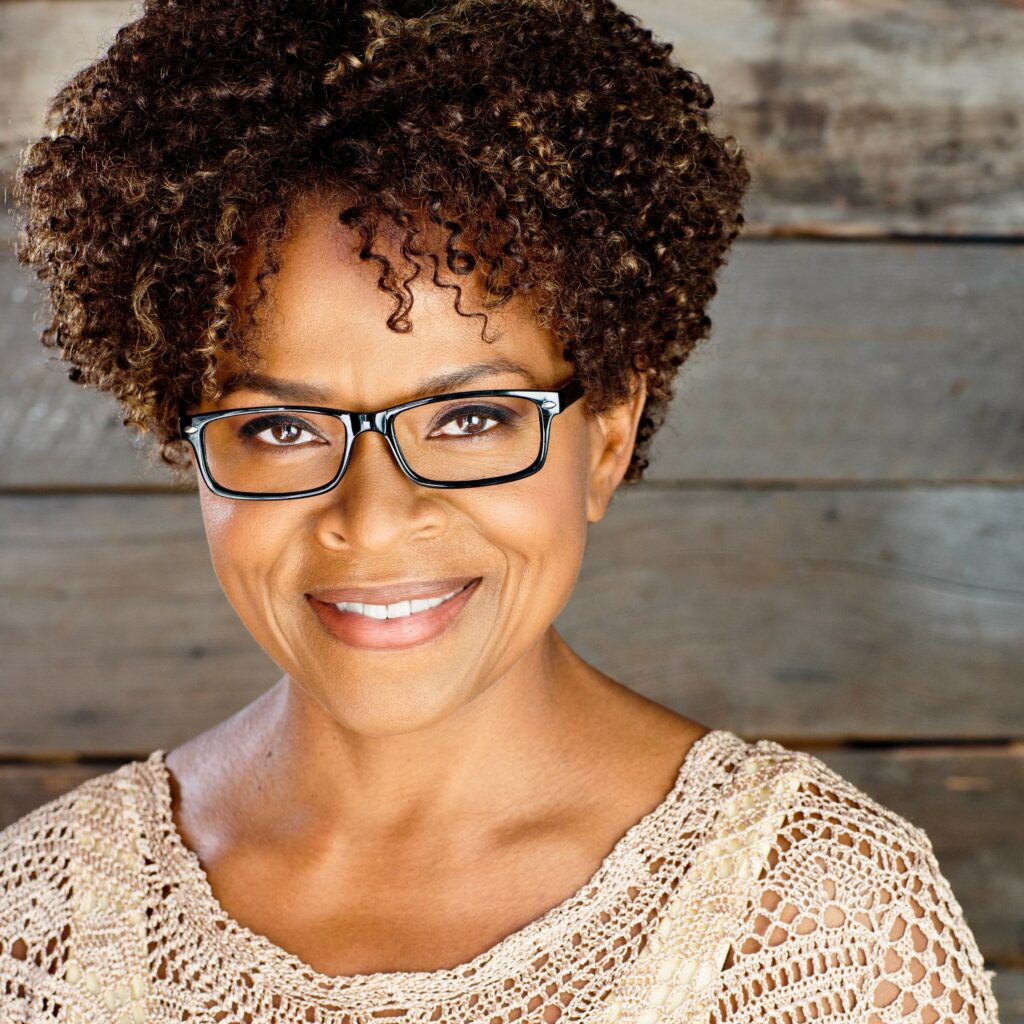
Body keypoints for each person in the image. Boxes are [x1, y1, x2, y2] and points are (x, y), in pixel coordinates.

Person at [0, 0, 1002, 1020]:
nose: (376, 516)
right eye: (282, 429)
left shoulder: (823, 930)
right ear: (193, 451)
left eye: (471, 417)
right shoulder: (38, 931)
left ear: (606, 435)